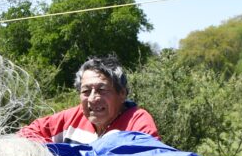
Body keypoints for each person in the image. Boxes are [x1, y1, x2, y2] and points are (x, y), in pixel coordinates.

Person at [18, 55, 159, 144]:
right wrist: (55, 153)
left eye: (102, 90)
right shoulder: (72, 118)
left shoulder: (137, 121)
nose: (93, 98)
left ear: (122, 93)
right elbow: (27, 133)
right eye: (86, 91)